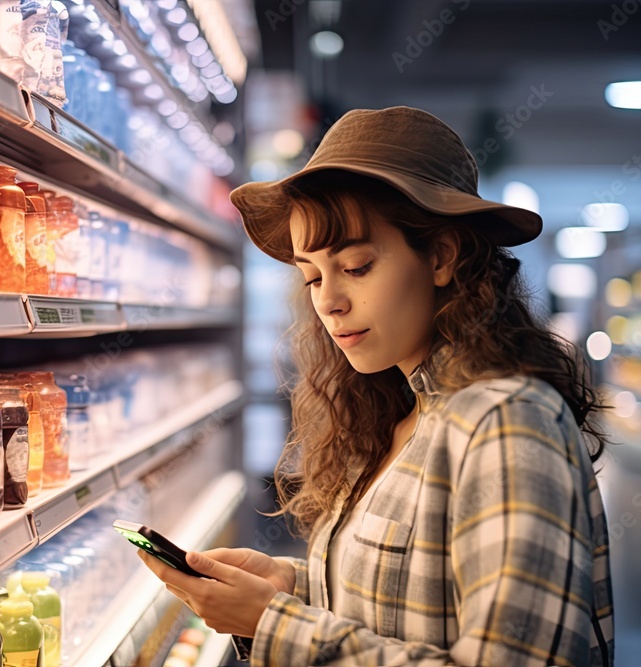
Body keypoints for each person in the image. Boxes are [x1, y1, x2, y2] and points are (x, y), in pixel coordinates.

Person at [136, 107, 614, 666]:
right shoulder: (403, 412)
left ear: (441, 256)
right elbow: (417, 603)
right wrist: (296, 586)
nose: (328, 301)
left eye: (357, 267)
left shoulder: (505, 421)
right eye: (311, 275)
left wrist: (274, 624)